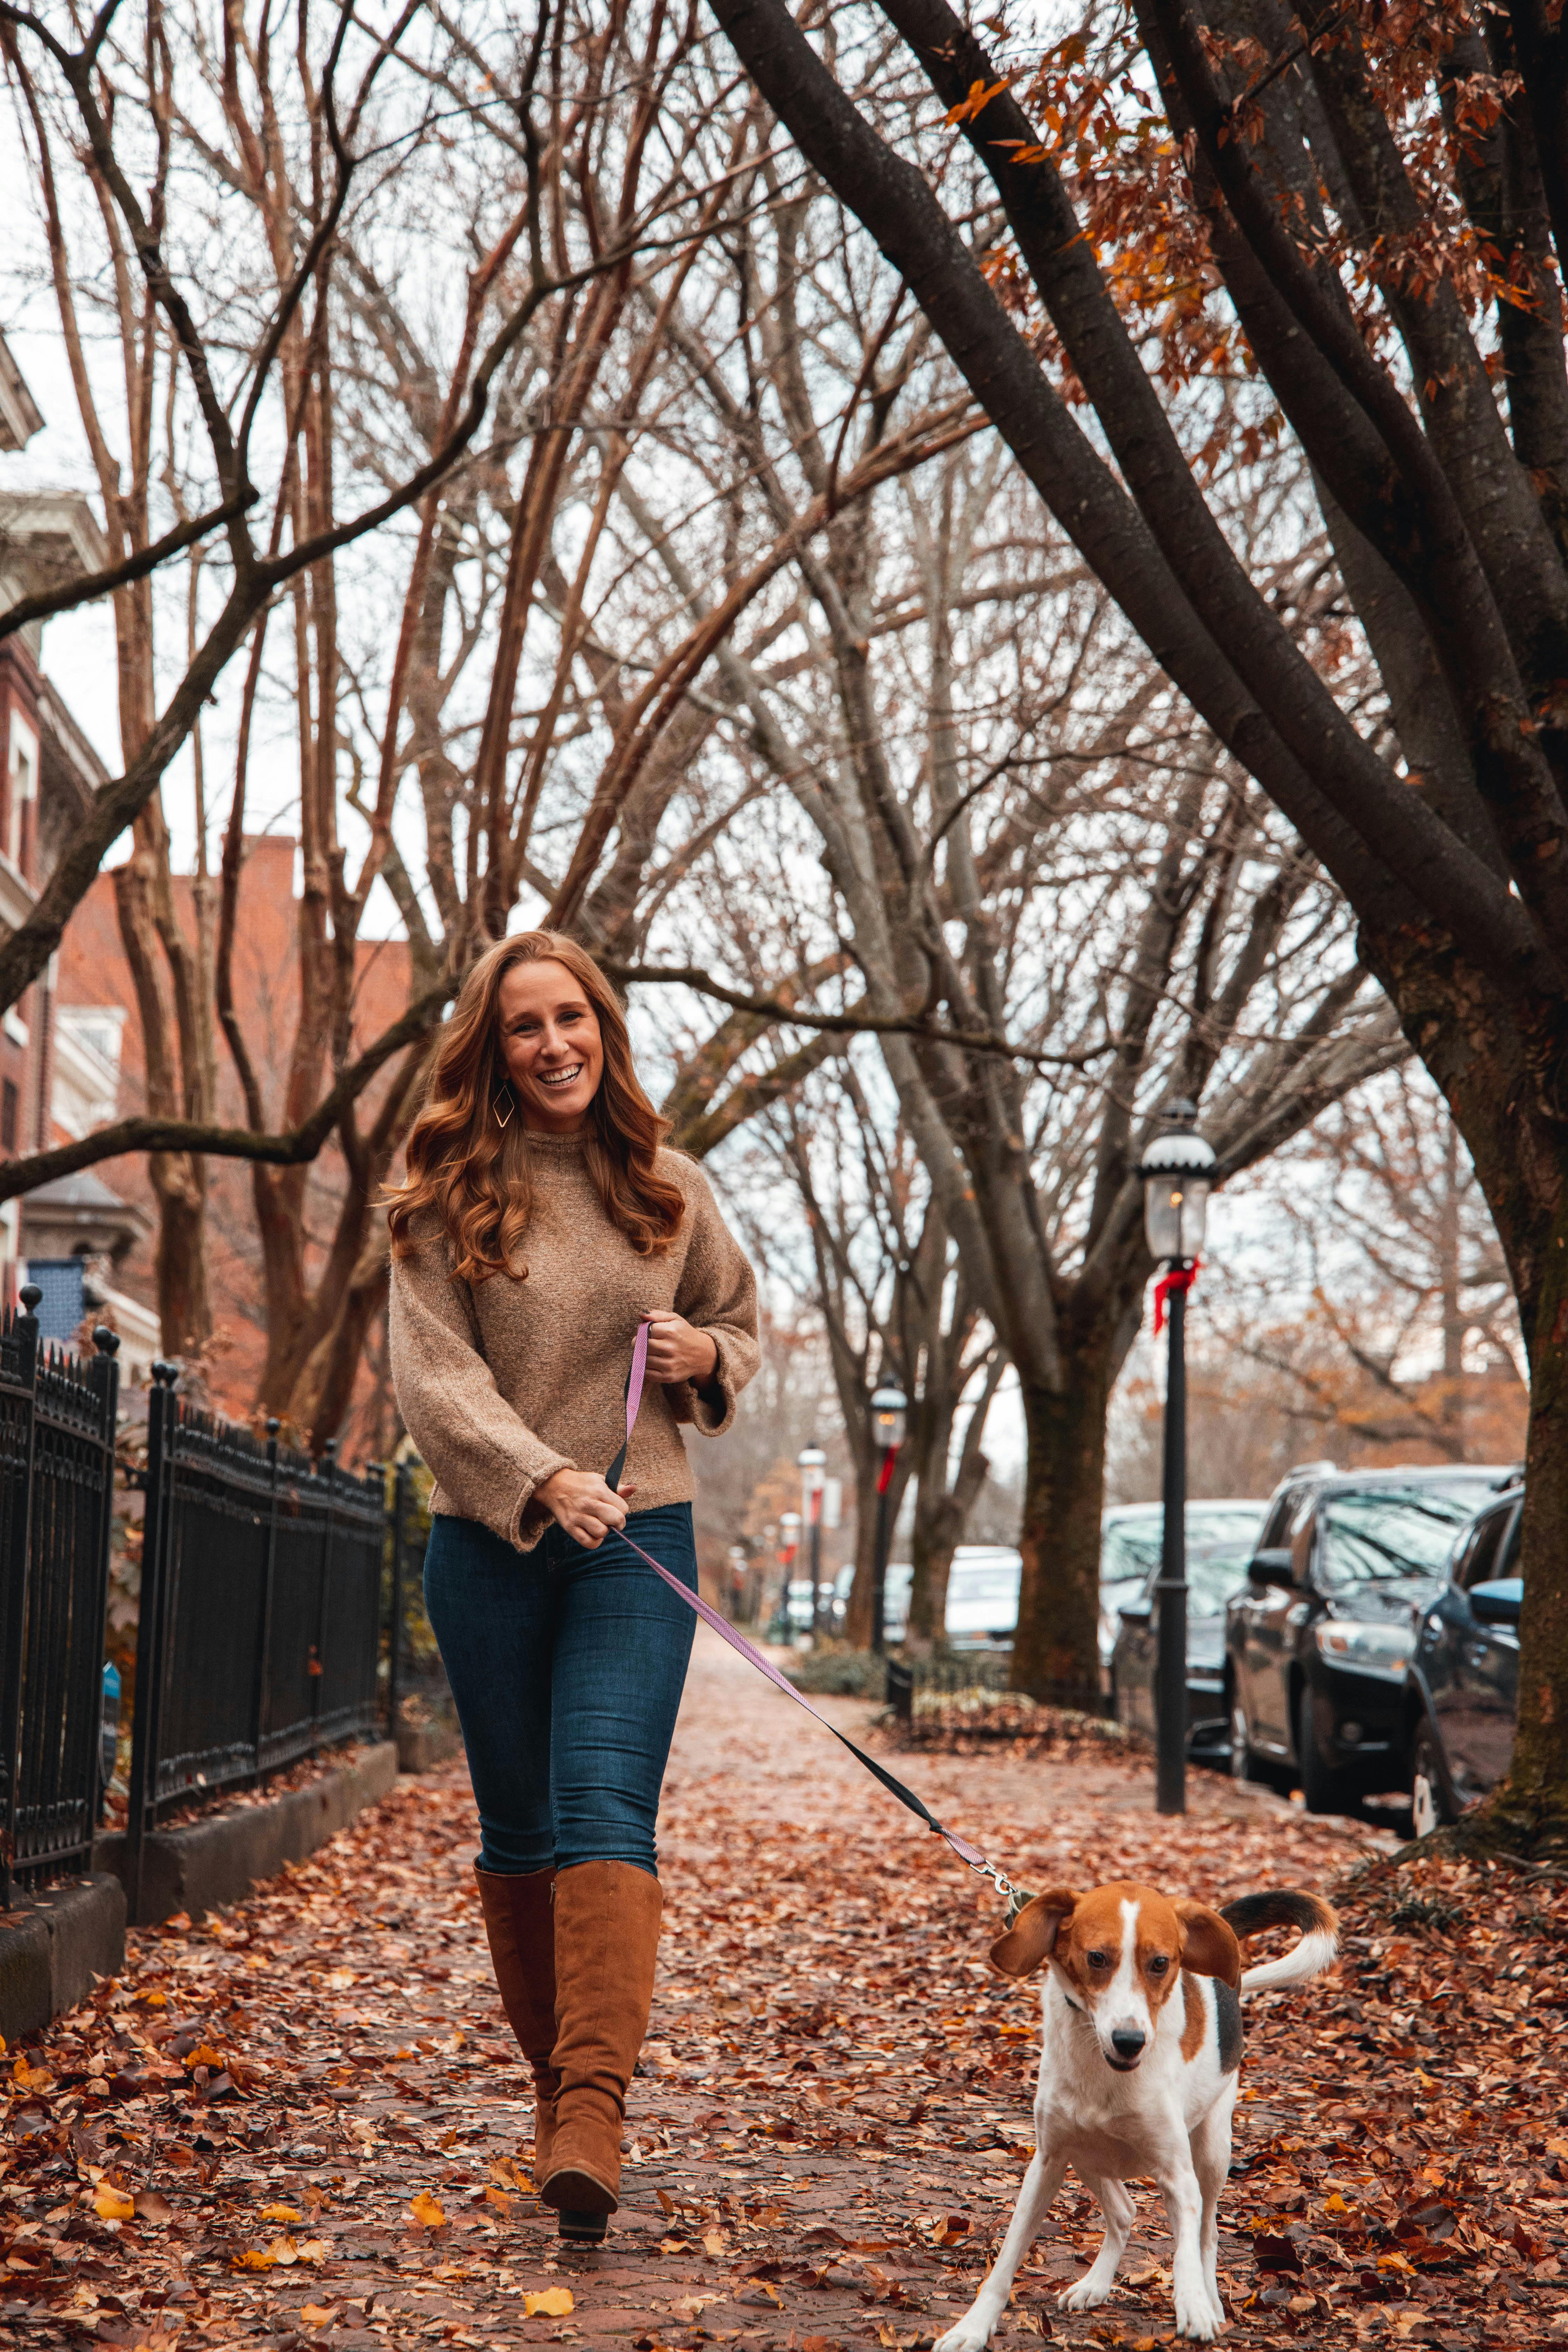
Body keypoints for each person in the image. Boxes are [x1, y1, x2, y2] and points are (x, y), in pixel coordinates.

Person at [385, 931, 759, 2241]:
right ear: (493, 1051)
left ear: (605, 1026)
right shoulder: (445, 1199)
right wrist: (541, 1475)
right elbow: (435, 1383)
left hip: (639, 1547)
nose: (555, 1045)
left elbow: (740, 1328)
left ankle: (592, 2114)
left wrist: (706, 1347)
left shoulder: (669, 1189)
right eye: (526, 1027)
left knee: (605, 1804)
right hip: (490, 1549)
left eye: (573, 1019)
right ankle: (561, 2104)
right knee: (522, 1839)